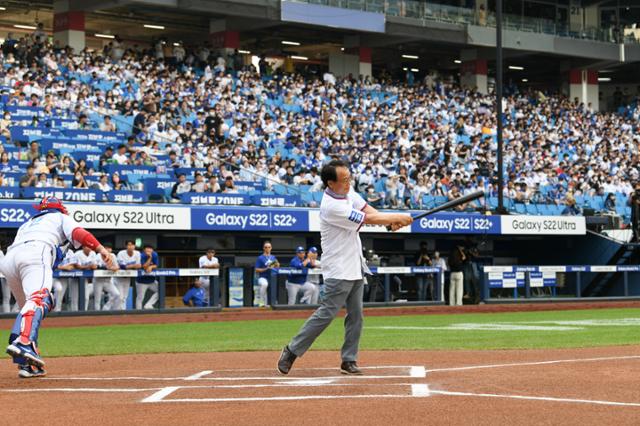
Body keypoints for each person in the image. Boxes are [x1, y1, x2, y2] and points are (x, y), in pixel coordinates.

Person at [278, 159, 412, 375]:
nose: (349, 183)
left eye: (349, 178)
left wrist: (390, 221)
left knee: (356, 315)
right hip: (338, 268)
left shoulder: (347, 193)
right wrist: (397, 217)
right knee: (326, 314)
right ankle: (292, 350)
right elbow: (368, 219)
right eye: (344, 180)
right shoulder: (332, 207)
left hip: (355, 265)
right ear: (331, 183)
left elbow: (369, 209)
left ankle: (349, 360)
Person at [1, 196, 113, 378]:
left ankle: (26, 363)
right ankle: (23, 343)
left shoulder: (28, 223)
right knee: (41, 299)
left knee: (27, 311)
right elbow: (79, 233)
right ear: (60, 208)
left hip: (10, 259)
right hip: (36, 252)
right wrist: (101, 249)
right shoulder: (60, 217)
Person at [92, 243, 120, 311]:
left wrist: (111, 268)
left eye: (109, 248)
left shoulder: (113, 256)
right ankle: (97, 315)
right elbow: (94, 266)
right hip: (98, 280)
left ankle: (106, 308)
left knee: (116, 294)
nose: (108, 250)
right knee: (97, 299)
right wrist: (105, 267)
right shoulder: (98, 255)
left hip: (108, 281)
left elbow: (117, 267)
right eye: (106, 248)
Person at [115, 240, 142, 310]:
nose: (130, 246)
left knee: (125, 296)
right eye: (129, 245)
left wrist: (130, 266)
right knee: (119, 296)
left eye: (132, 245)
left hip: (127, 277)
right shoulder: (121, 253)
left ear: (134, 246)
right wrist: (133, 265)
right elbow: (122, 266)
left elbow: (139, 266)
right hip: (118, 277)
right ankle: (115, 311)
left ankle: (122, 311)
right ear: (126, 246)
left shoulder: (137, 253)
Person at [254, 241, 279, 307]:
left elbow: (278, 265)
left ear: (271, 248)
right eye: (266, 247)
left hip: (272, 277)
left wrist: (275, 264)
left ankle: (271, 303)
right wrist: (266, 268)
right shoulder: (260, 257)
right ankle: (261, 301)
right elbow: (256, 269)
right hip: (263, 277)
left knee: (272, 289)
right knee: (264, 284)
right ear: (263, 248)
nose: (267, 248)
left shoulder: (273, 257)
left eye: (269, 247)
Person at [136, 244, 159, 310]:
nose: (149, 250)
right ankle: (138, 312)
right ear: (144, 250)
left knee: (160, 291)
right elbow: (144, 266)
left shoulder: (155, 254)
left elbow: (156, 265)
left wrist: (151, 266)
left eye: (150, 248)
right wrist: (150, 258)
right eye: (147, 248)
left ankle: (148, 305)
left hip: (151, 280)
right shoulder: (141, 255)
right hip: (141, 281)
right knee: (140, 297)